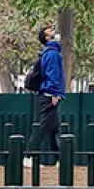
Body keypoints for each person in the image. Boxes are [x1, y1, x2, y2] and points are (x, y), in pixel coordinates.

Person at [27, 25, 66, 163]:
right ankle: (29, 155)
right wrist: (54, 93)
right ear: (47, 37)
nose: (54, 31)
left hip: (47, 94)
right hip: (50, 95)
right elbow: (53, 75)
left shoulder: (49, 53)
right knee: (44, 127)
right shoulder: (53, 53)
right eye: (50, 31)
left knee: (53, 128)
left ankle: (59, 158)